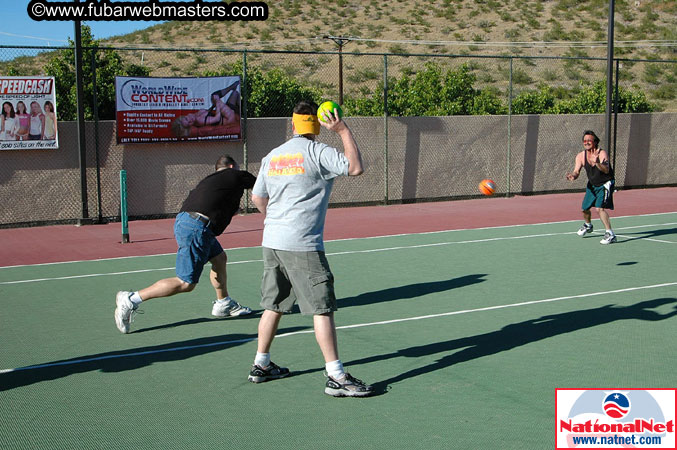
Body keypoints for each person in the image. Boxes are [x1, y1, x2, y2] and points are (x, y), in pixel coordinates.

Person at [249, 100, 373, 397]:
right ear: (316, 126)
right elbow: (355, 168)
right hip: (302, 244)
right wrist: (342, 130)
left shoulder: (272, 156)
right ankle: (336, 376)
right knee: (322, 308)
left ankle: (261, 364)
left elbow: (257, 198)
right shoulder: (318, 152)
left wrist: (276, 220)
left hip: (272, 241)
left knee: (273, 305)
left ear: (292, 125)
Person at [114, 155, 255, 334]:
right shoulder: (234, 175)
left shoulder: (211, 182)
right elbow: (262, 185)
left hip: (192, 223)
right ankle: (131, 299)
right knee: (185, 283)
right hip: (197, 228)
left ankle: (223, 303)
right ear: (231, 166)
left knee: (219, 259)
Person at [566, 130, 617, 245]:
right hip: (593, 185)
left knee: (599, 209)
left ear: (595, 142)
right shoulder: (580, 156)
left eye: (589, 140)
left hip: (605, 183)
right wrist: (573, 176)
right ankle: (588, 225)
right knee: (584, 208)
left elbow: (606, 170)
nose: (586, 142)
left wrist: (597, 162)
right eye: (585, 140)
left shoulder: (602, 153)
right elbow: (576, 171)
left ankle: (610, 234)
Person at [171, 82, 240, 138]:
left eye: (186, 119)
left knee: (235, 94)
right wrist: (218, 103)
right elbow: (217, 119)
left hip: (226, 114)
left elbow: (208, 112)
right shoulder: (199, 121)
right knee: (214, 96)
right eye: (189, 123)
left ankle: (241, 110)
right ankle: (234, 85)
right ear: (191, 126)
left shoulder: (197, 115)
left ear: (184, 116)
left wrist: (214, 104)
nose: (190, 120)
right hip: (228, 118)